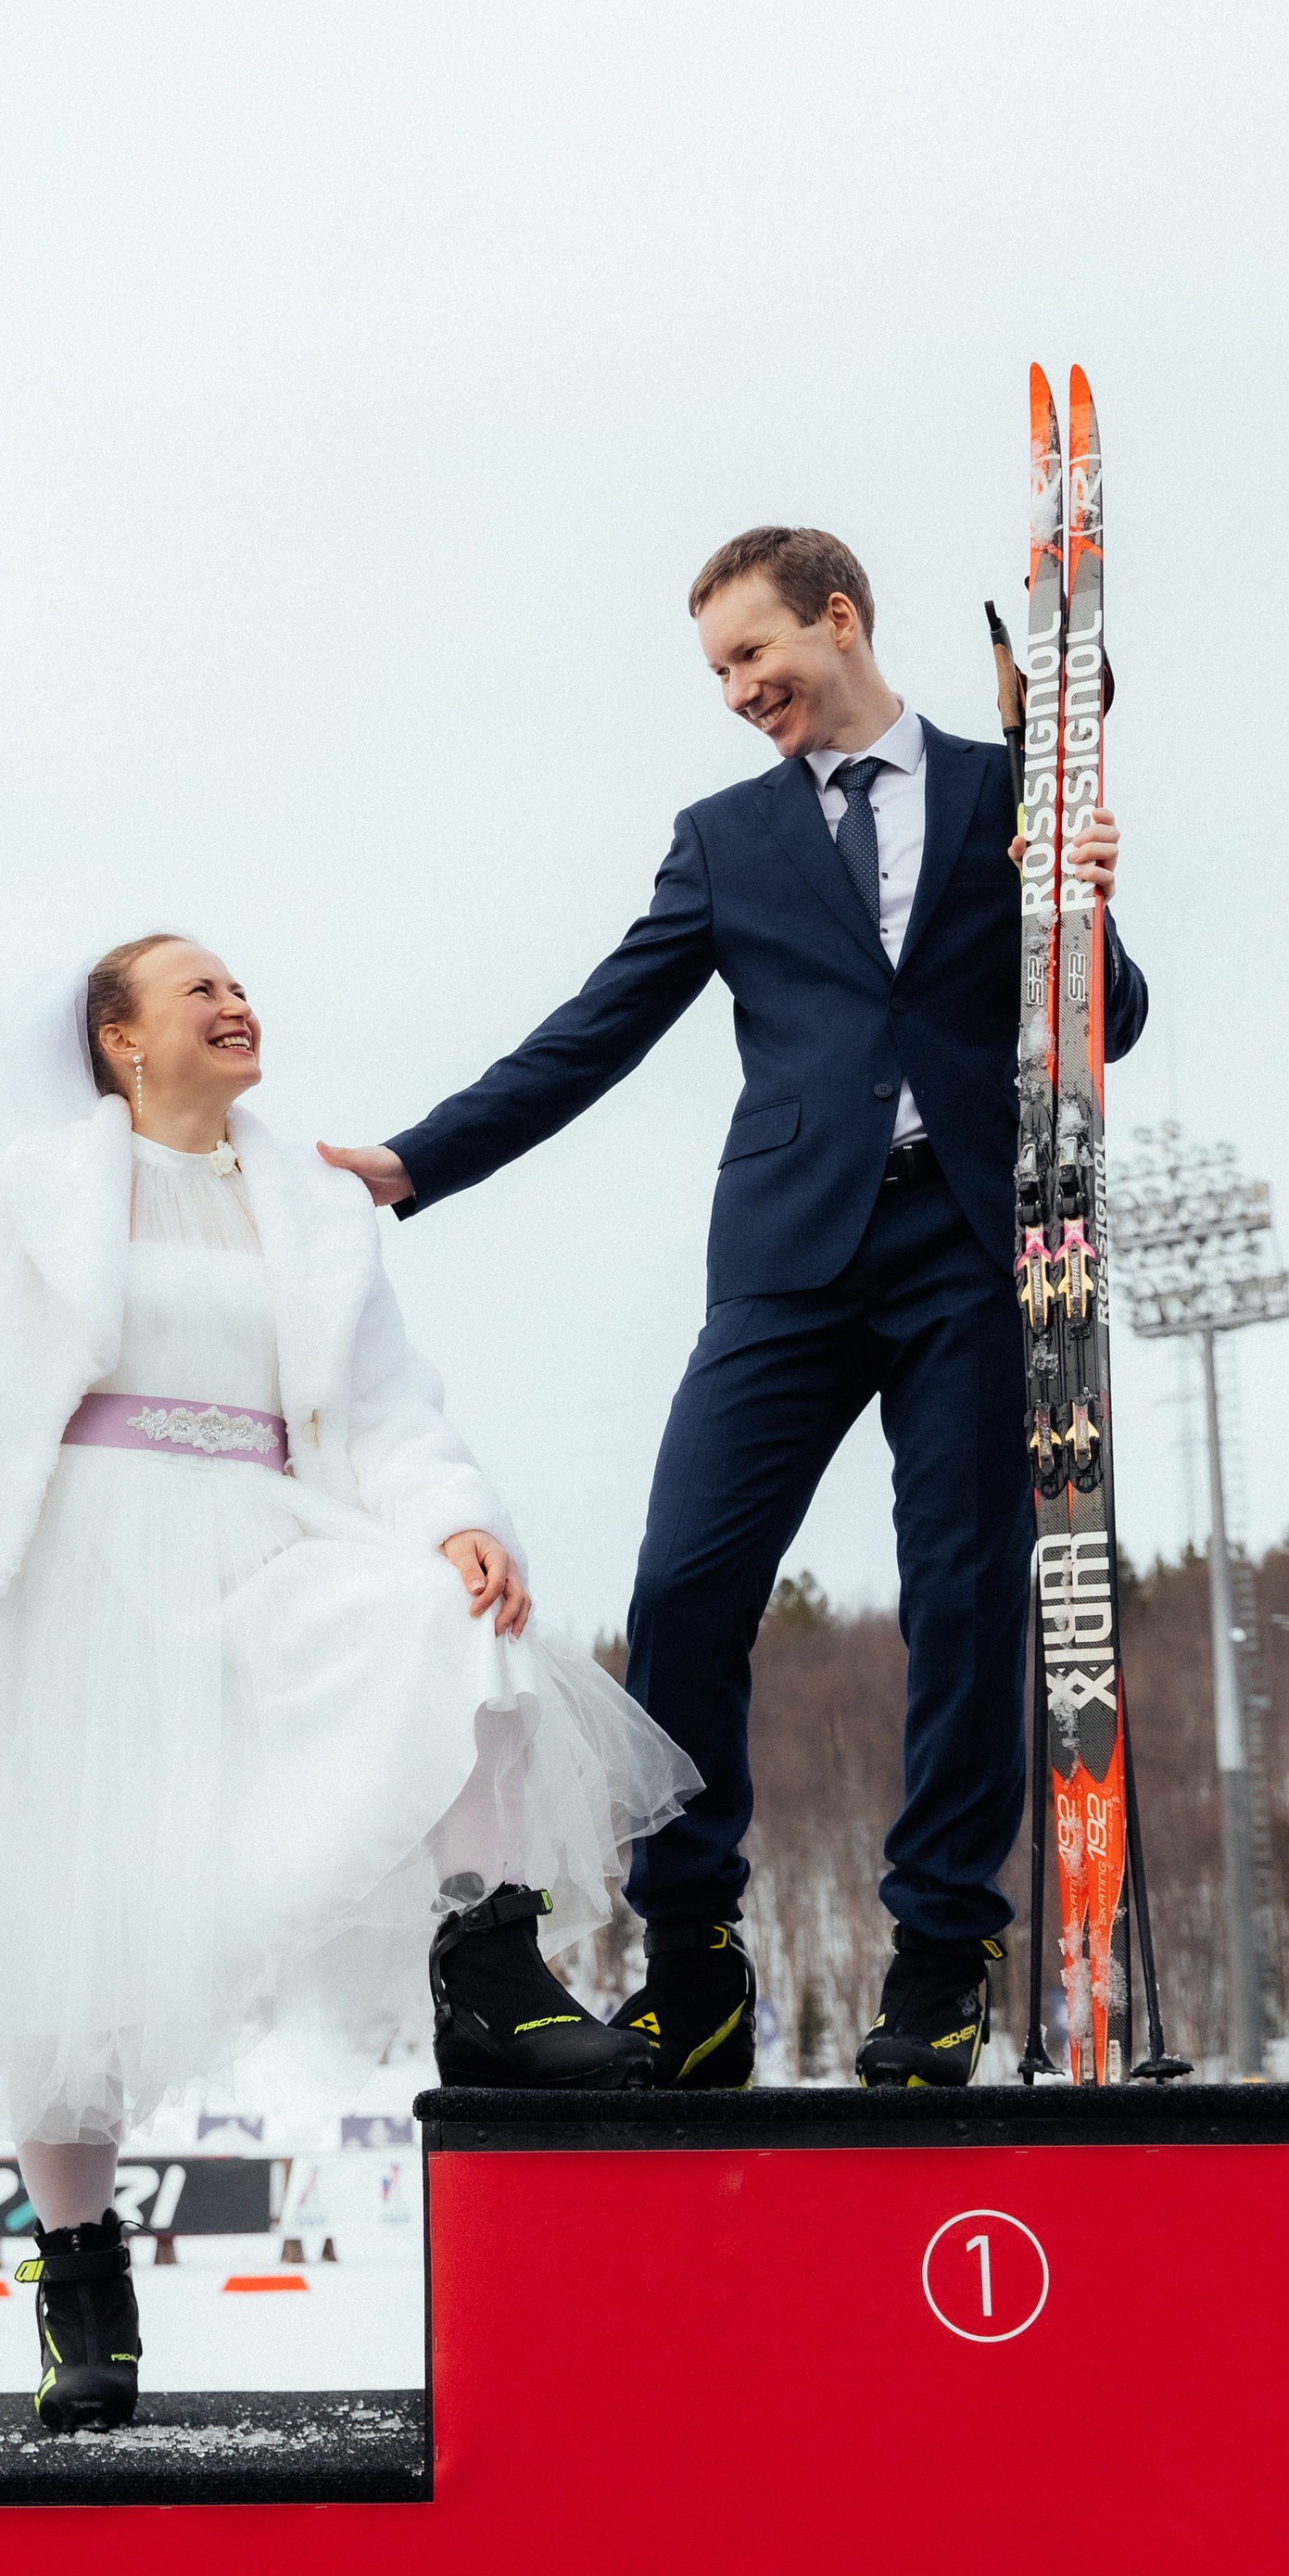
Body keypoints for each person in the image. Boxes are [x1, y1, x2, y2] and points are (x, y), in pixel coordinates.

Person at [0, 935, 693, 2433]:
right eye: (193, 986)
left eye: (238, 981)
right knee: (68, 1942)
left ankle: (492, 1970)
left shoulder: (317, 1206)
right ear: (120, 1043)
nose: (232, 999)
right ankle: (80, 2278)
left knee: (450, 1621)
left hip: (271, 1538)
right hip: (84, 1572)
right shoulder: (43, 1194)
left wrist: (459, 1517)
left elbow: (390, 1407)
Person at [321, 525, 1146, 2092]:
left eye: (754, 655)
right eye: (717, 670)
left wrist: (1082, 900)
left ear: (840, 620)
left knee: (966, 1597)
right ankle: (692, 1955)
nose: (738, 691)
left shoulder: (1002, 794)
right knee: (687, 1581)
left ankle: (939, 1963)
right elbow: (600, 1027)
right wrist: (420, 1163)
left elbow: (1112, 1016)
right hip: (786, 1255)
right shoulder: (724, 839)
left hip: (982, 1247)